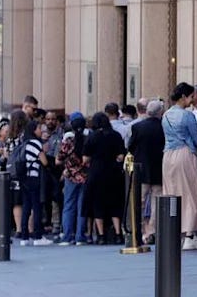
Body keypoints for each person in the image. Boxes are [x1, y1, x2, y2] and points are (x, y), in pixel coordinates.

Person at [162, 82, 197, 250]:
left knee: (171, 193)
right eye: (190, 96)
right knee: (189, 194)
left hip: (168, 157)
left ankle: (175, 231)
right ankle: (189, 234)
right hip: (185, 155)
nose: (191, 100)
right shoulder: (187, 116)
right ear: (183, 97)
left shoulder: (166, 114)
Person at [83, 112, 126, 245]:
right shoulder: (116, 135)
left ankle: (101, 236)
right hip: (113, 173)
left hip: (96, 173)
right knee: (115, 204)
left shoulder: (92, 137)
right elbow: (121, 156)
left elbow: (85, 159)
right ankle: (118, 234)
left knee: (97, 205)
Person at [128, 100, 165, 244]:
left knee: (140, 201)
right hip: (159, 169)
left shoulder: (137, 127)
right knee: (157, 201)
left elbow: (130, 147)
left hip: (142, 170)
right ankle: (153, 230)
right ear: (160, 112)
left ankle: (140, 230)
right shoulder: (163, 127)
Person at [56, 112, 89, 245]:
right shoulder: (88, 138)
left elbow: (58, 160)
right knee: (82, 207)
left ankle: (67, 236)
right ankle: (80, 236)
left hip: (71, 176)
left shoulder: (68, 141)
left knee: (69, 205)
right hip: (85, 176)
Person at [18, 119, 51, 246]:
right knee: (36, 206)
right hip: (34, 177)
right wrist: (44, 152)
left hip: (24, 178)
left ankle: (24, 237)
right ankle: (38, 236)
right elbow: (44, 162)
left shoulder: (25, 143)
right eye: (38, 128)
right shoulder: (35, 143)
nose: (40, 130)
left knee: (26, 207)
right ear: (33, 130)